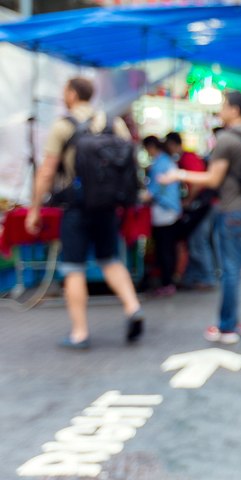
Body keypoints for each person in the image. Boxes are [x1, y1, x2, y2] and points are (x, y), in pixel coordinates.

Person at [25, 77, 144, 349]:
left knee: (74, 268)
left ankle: (79, 332)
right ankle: (133, 306)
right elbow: (128, 162)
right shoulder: (114, 123)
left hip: (76, 206)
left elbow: (46, 172)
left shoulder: (63, 126)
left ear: (71, 93)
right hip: (107, 205)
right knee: (110, 259)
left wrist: (34, 208)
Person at [163, 91, 241, 343]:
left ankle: (227, 328)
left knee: (232, 269)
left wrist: (179, 175)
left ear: (234, 110)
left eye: (223, 106)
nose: (220, 111)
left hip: (234, 210)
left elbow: (213, 179)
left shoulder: (226, 139)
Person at [165, 131, 217, 290]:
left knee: (199, 242)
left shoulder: (188, 158)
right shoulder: (183, 159)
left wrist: (189, 200)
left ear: (173, 144)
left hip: (204, 206)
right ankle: (197, 277)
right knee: (195, 242)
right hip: (201, 205)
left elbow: (198, 183)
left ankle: (208, 278)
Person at [142, 136, 181, 297]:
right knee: (168, 248)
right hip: (170, 209)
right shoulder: (166, 161)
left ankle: (167, 283)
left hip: (164, 210)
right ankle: (168, 281)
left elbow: (153, 191)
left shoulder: (159, 164)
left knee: (164, 248)